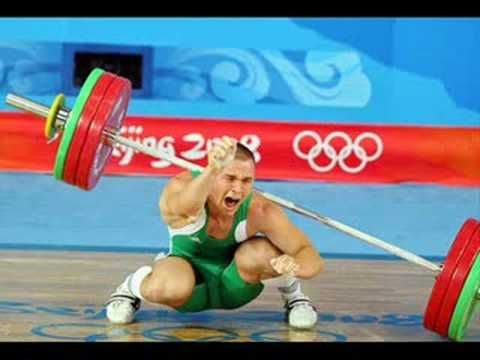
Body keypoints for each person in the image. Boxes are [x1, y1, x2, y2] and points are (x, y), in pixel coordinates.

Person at [105, 136, 325, 329]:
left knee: (263, 252)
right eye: (230, 178)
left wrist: (295, 267)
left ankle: (294, 296)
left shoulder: (259, 209)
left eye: (246, 180)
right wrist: (211, 169)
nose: (238, 189)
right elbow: (187, 208)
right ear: (213, 174)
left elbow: (308, 254)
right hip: (188, 281)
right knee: (168, 287)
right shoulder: (181, 186)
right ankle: (131, 287)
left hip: (236, 285)